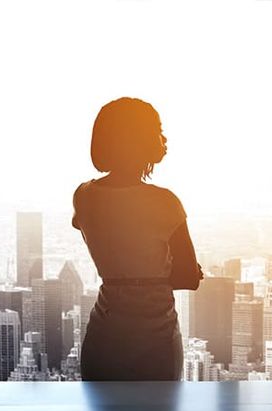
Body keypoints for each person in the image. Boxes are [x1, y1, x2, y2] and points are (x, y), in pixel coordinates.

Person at [72, 97, 202, 381]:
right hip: (156, 336)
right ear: (138, 138)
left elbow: (88, 227)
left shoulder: (83, 195)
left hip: (104, 333)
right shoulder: (165, 203)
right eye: (158, 129)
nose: (164, 138)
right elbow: (189, 277)